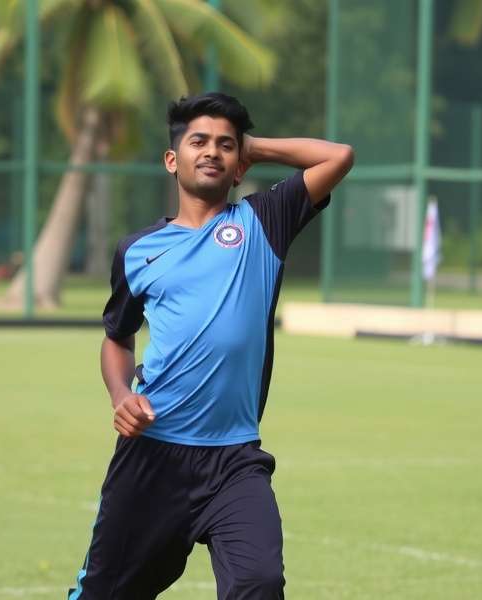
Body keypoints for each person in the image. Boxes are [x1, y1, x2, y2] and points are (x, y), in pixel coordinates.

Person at [67, 92, 353, 599]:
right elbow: (117, 338)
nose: (212, 151)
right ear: (171, 160)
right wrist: (120, 396)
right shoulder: (137, 251)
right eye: (198, 141)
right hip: (152, 455)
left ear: (239, 166)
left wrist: (253, 146)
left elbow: (338, 156)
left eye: (225, 145)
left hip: (234, 461)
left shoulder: (264, 221)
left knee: (259, 582)